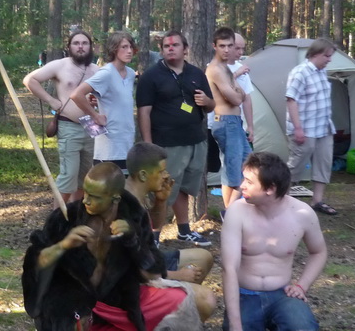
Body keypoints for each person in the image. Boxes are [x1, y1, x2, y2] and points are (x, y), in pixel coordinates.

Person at [22, 162, 200, 331]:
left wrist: (132, 240)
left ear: (115, 197)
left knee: (188, 300)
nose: (85, 200)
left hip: (117, 304)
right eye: (86, 192)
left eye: (94, 196)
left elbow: (152, 274)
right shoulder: (65, 219)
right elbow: (36, 264)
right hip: (72, 308)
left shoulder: (134, 218)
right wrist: (63, 245)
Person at [221, 152, 327, 331]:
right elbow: (228, 268)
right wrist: (235, 324)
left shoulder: (302, 214)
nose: (241, 185)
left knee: (303, 327)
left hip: (282, 295)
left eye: (249, 181)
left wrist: (302, 286)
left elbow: (318, 251)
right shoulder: (237, 212)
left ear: (270, 188)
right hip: (244, 295)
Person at [135, 30, 215, 247]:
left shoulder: (196, 74)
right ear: (161, 50)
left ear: (185, 49)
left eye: (175, 45)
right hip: (166, 144)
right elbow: (144, 112)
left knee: (184, 188)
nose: (170, 48)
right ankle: (153, 237)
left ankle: (184, 230)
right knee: (161, 191)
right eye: (166, 46)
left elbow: (211, 106)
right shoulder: (151, 76)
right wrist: (149, 145)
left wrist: (207, 101)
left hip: (195, 141)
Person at [124, 142, 216, 322]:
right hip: (135, 280)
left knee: (203, 258)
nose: (166, 175)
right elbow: (132, 268)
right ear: (143, 175)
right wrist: (177, 275)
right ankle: (169, 313)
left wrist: (161, 201)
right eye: (161, 171)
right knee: (206, 300)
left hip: (151, 261)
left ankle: (173, 317)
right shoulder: (124, 207)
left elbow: (154, 226)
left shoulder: (138, 194)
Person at [23, 31, 99, 205]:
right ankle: (57, 216)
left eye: (85, 43)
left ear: (90, 47)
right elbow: (30, 80)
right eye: (76, 43)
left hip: (91, 128)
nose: (80, 47)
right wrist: (51, 100)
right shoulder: (60, 66)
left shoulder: (97, 70)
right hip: (68, 127)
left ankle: (74, 213)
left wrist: (97, 102)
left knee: (86, 177)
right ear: (69, 47)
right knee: (68, 176)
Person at [71, 31, 137, 174]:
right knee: (108, 186)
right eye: (124, 47)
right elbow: (76, 95)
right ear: (114, 49)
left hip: (127, 142)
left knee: (125, 185)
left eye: (131, 47)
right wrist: (95, 116)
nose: (129, 51)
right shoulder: (106, 73)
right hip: (109, 146)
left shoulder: (131, 73)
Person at [286, 38, 338, 215]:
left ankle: (317, 201)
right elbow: (291, 100)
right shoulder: (300, 72)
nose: (329, 59)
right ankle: (281, 200)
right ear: (316, 53)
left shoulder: (322, 72)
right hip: (304, 129)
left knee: (324, 163)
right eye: (327, 56)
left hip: (324, 127)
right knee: (295, 166)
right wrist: (298, 128)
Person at [206, 27, 252, 210]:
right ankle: (229, 212)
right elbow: (236, 98)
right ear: (214, 46)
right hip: (225, 122)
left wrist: (236, 90)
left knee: (248, 165)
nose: (227, 50)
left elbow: (242, 96)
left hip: (235, 122)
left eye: (230, 46)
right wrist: (236, 90)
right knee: (233, 172)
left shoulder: (226, 69)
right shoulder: (215, 69)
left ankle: (230, 211)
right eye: (222, 46)